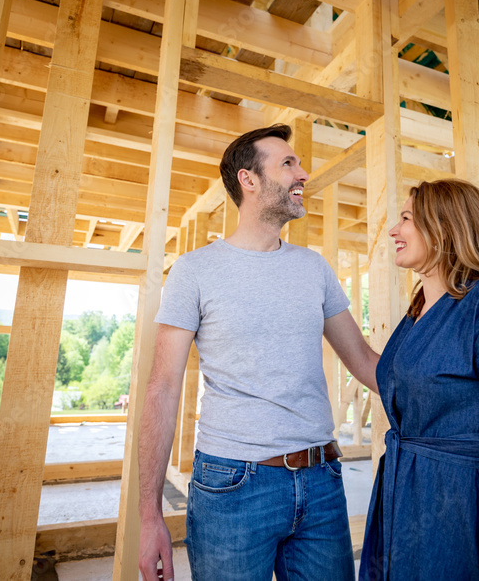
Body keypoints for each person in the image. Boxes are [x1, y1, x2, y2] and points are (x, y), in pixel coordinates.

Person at [138, 124, 381, 581]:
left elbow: (366, 362)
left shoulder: (314, 269)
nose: (303, 173)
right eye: (288, 163)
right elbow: (162, 387)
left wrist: (448, 387)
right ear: (248, 180)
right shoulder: (195, 272)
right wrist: (149, 514)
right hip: (232, 486)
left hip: (321, 481)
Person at [360, 179, 479, 581]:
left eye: (407, 218)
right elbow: (390, 382)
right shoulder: (417, 314)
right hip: (402, 504)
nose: (394, 230)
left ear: (443, 228)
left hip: (458, 507)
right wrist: (327, 314)